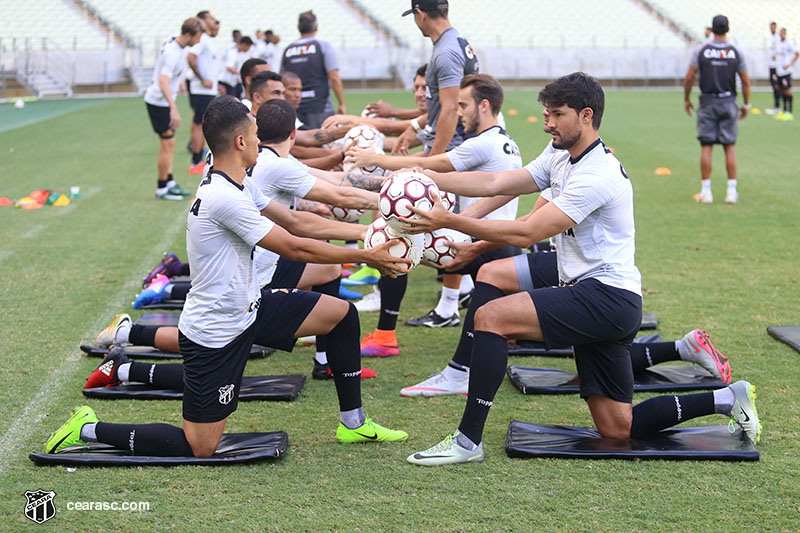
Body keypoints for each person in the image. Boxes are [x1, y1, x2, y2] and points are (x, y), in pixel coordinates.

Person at [397, 72, 761, 465]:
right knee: (618, 427)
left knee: (490, 317)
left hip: (605, 297)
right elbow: (499, 179)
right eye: (546, 113)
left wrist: (449, 221)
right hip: (605, 299)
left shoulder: (597, 173)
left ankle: (467, 442)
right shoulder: (560, 154)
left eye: (557, 114)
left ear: (586, 116)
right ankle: (726, 398)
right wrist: (432, 176)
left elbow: (527, 231)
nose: (547, 122)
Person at [44, 96, 410, 458]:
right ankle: (86, 429)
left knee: (341, 316)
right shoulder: (225, 197)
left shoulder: (239, 182)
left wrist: (365, 235)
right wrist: (365, 256)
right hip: (216, 334)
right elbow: (294, 247)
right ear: (239, 142)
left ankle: (354, 422)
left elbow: (296, 221)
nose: (259, 142)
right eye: (254, 135)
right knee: (200, 446)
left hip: (251, 309)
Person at [348, 74, 521, 344]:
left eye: (463, 106)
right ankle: (453, 313)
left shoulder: (482, 144)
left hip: (478, 242)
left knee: (392, 242)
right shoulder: (505, 141)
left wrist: (372, 160)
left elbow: (433, 165)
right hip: (493, 239)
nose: (458, 112)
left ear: (484, 105)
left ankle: (385, 337)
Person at [395, 0, 478, 156]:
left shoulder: (446, 52)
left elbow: (451, 108)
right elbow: (443, 107)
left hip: (451, 146)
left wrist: (432, 162)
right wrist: (414, 126)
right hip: (454, 144)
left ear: (421, 15)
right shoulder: (457, 39)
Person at [683, 14, 750, 205]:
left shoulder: (702, 50)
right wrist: (746, 104)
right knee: (730, 147)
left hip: (707, 102)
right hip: (729, 102)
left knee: (706, 146)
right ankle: (731, 192)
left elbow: (689, 77)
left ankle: (706, 192)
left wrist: (687, 99)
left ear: (712, 29)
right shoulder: (736, 51)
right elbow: (745, 81)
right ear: (727, 29)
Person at [143, 17, 203, 201]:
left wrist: (181, 82)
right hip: (158, 102)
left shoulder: (175, 43)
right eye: (197, 37)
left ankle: (169, 182)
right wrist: (173, 108)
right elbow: (163, 81)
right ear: (187, 35)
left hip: (162, 101)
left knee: (169, 143)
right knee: (168, 143)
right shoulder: (172, 52)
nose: (199, 41)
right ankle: (162, 187)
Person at [280, 10, 345, 128]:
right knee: (323, 142)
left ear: (298, 27)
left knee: (299, 142)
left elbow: (281, 79)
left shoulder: (288, 50)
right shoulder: (323, 46)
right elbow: (334, 77)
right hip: (320, 106)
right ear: (316, 27)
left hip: (294, 107)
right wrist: (341, 103)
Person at [186, 11, 221, 175]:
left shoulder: (208, 40)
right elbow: (191, 57)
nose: (215, 22)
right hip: (201, 90)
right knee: (200, 123)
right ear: (203, 21)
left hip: (206, 89)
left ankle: (197, 159)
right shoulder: (203, 40)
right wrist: (203, 79)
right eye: (212, 19)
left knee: (201, 122)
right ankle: (196, 162)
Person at [775, 27, 798, 121]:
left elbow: (797, 53)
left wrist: (790, 64)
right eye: (781, 32)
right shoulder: (778, 43)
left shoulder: (789, 43)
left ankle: (790, 111)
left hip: (786, 72)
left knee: (787, 90)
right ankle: (784, 111)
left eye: (784, 33)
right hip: (779, 71)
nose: (782, 34)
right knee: (782, 90)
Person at [766, 22, 783, 115]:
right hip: (771, 65)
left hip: (775, 66)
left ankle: (778, 106)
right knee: (773, 85)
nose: (772, 28)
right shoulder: (771, 37)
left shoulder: (777, 38)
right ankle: (776, 105)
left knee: (776, 85)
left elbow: (779, 51)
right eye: (771, 27)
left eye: (773, 27)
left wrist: (775, 57)